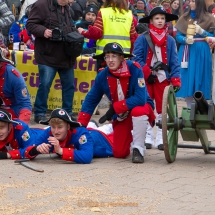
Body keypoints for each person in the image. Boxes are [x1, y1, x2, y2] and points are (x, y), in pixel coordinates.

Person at [78, 42, 156, 163]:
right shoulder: (102, 75)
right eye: (107, 56)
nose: (110, 60)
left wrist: (115, 108)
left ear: (121, 57)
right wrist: (81, 125)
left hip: (142, 107)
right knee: (119, 153)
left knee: (138, 110)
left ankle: (139, 149)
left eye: (114, 56)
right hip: (121, 114)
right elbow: (91, 100)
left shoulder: (135, 68)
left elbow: (141, 99)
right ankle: (120, 134)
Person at [132, 7, 181, 150]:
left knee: (162, 108)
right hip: (146, 78)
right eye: (157, 18)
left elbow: (174, 62)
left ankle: (161, 136)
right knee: (146, 106)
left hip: (162, 77)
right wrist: (147, 72)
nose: (160, 21)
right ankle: (147, 136)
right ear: (151, 21)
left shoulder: (170, 40)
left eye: (162, 18)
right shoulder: (142, 38)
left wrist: (176, 78)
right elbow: (137, 59)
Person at [26, 0, 78, 123]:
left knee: (69, 86)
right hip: (47, 56)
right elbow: (30, 24)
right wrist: (44, 31)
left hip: (66, 56)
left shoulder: (68, 9)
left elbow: (69, 27)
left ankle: (67, 113)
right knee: (45, 85)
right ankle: (39, 113)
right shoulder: (42, 4)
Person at [26, 108, 113, 164]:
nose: (55, 131)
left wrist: (60, 150)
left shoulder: (81, 134)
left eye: (60, 127)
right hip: (88, 131)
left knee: (109, 129)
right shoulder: (49, 131)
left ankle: (106, 125)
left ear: (68, 126)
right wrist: (36, 149)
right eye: (53, 127)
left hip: (101, 138)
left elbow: (87, 157)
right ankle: (92, 124)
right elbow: (28, 148)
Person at [175, 0, 215, 108]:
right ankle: (189, 108)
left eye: (193, 1)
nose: (190, 3)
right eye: (190, 1)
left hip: (202, 51)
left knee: (201, 76)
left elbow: (213, 36)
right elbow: (178, 36)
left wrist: (202, 32)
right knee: (188, 78)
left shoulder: (210, 18)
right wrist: (185, 39)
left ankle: (200, 106)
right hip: (187, 51)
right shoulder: (184, 17)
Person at [77, 0, 138, 70]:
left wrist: (83, 32)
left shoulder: (103, 12)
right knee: (122, 80)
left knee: (104, 79)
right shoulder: (129, 15)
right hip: (123, 56)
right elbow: (134, 38)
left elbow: (96, 33)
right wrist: (130, 54)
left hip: (105, 56)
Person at [0, 48, 32, 124]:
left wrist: (22, 125)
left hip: (12, 110)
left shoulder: (13, 75)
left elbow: (25, 104)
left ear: (1, 63)